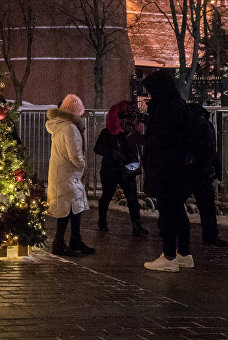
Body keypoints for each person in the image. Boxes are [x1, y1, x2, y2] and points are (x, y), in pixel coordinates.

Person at [141, 70, 193, 271]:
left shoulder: (166, 109)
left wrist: (143, 139)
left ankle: (169, 256)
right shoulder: (178, 106)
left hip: (166, 168)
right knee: (178, 210)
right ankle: (184, 254)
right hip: (178, 168)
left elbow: (161, 140)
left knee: (168, 212)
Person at [46, 94, 95, 256]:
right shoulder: (70, 128)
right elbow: (74, 154)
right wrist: (83, 165)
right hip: (68, 174)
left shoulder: (60, 126)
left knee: (74, 207)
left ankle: (74, 238)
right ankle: (59, 241)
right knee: (67, 208)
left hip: (63, 172)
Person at [94, 101, 147, 236]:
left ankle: (136, 225)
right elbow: (98, 148)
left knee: (132, 198)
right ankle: (102, 222)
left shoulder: (129, 134)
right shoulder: (107, 133)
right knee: (107, 196)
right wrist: (112, 153)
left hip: (125, 169)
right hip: (111, 169)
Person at [185, 103, 227, 247]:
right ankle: (210, 236)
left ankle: (167, 227)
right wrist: (216, 167)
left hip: (191, 169)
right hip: (202, 170)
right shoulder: (206, 125)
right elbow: (211, 149)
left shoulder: (190, 124)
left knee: (176, 201)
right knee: (207, 205)